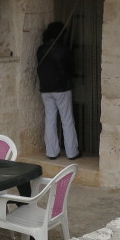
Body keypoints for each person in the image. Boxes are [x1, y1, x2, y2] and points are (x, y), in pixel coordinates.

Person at [36, 21, 80, 160]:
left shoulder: (41, 49)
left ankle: (51, 152)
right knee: (67, 120)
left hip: (45, 88)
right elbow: (71, 69)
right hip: (61, 88)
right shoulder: (63, 49)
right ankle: (72, 152)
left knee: (50, 119)